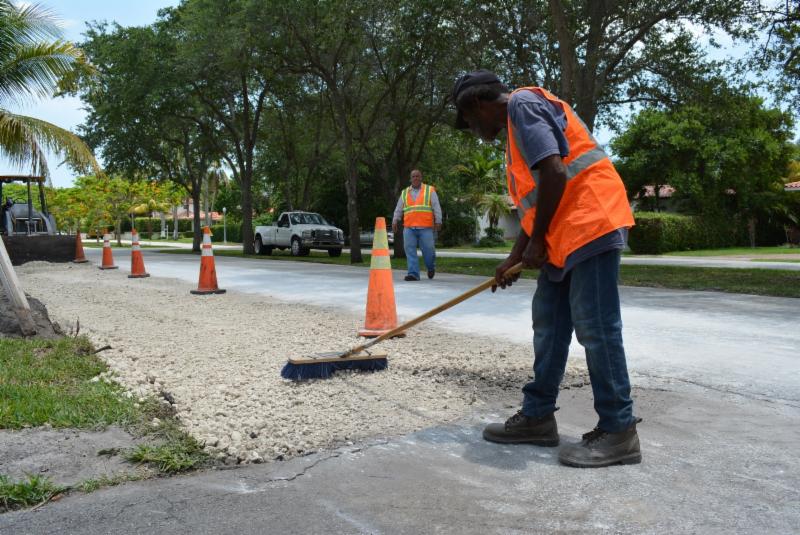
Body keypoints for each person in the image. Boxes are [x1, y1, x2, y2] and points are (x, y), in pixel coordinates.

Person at [452, 70, 641, 468]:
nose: (472, 129)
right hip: (564, 236)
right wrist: (515, 255)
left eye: (468, 121)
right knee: (550, 326)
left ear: (477, 105)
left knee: (596, 327)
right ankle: (537, 418)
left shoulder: (522, 104)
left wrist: (536, 244)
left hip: (591, 223)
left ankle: (619, 431)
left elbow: (556, 171)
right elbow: (537, 202)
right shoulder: (515, 136)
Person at [392, 169, 442, 281]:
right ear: (410, 179)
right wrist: (395, 220)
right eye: (413, 176)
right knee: (410, 250)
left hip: (426, 228)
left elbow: (436, 206)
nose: (415, 178)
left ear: (421, 178)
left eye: (417, 176)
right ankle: (413, 273)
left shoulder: (430, 190)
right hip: (409, 227)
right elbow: (399, 209)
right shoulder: (404, 193)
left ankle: (430, 267)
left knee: (429, 250)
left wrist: (438, 220)